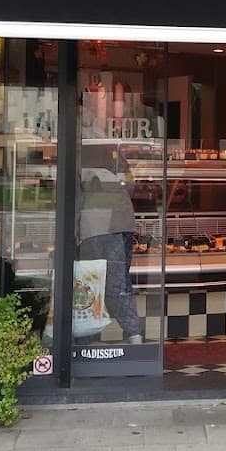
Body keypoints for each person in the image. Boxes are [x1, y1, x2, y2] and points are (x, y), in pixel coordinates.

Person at [78, 145, 142, 343]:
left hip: (93, 226)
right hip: (121, 224)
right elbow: (130, 185)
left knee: (90, 281)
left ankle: (87, 338)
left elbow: (72, 193)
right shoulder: (116, 155)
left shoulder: (80, 151)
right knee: (118, 283)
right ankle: (134, 335)